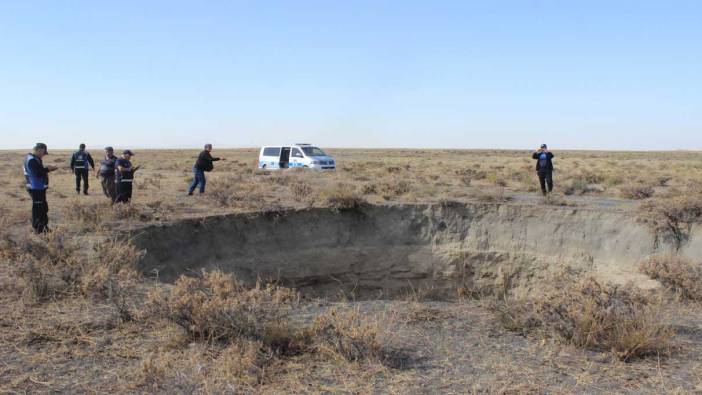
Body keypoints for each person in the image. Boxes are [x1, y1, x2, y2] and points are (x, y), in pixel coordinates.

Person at [23, 143, 58, 233]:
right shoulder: (31, 160)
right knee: (38, 209)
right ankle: (39, 229)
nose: (43, 155)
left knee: (43, 208)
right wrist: (49, 169)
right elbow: (37, 173)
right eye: (43, 153)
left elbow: (38, 171)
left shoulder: (34, 159)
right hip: (35, 189)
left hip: (38, 188)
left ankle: (44, 227)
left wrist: (46, 169)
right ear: (39, 150)